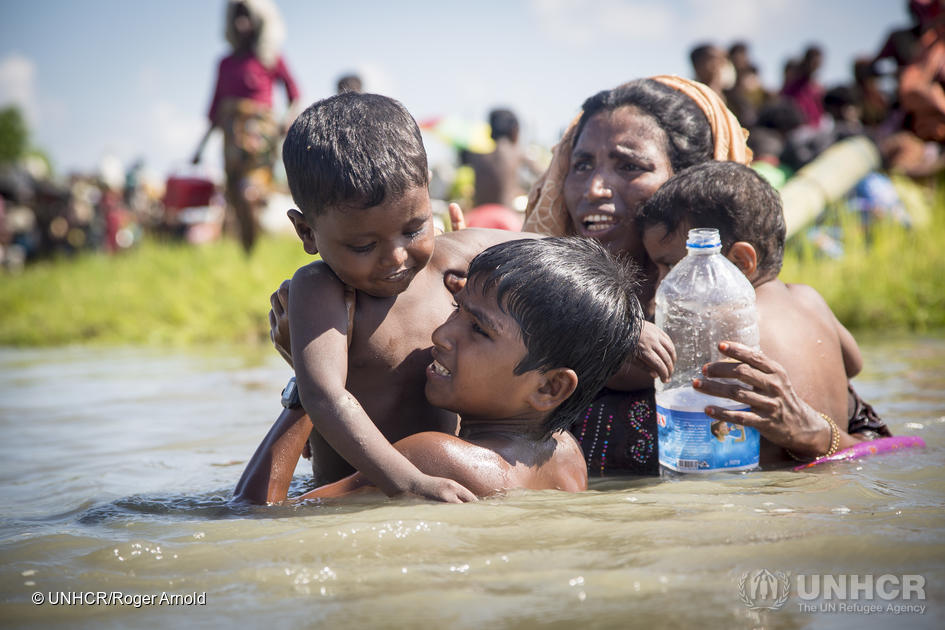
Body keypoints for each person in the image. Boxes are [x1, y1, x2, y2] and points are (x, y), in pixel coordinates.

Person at [234, 92, 555, 505]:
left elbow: (553, 256)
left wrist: (626, 322)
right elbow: (325, 395)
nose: (396, 257)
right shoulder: (322, 290)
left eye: (413, 229)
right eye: (364, 245)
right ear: (307, 234)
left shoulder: (450, 257)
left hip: (447, 483)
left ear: (429, 204)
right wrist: (406, 482)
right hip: (352, 498)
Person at [254, 237, 643, 502]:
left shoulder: (435, 459)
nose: (440, 334)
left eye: (478, 329)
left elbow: (260, 515)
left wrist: (308, 378)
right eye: (457, 309)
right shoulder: (567, 454)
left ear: (551, 388)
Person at [638, 161, 890, 465]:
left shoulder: (721, 323)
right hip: (833, 474)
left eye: (672, 266)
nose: (663, 282)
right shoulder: (808, 298)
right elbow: (854, 364)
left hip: (774, 492)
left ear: (742, 261)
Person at [192, 0, 300, 253]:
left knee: (249, 192)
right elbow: (215, 109)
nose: (242, 24)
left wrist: (287, 120)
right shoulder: (225, 63)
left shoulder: (270, 58)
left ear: (259, 22)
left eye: (247, 18)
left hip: (259, 138)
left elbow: (294, 94)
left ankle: (254, 246)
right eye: (237, 18)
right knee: (235, 198)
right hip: (230, 139)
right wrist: (199, 148)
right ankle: (248, 252)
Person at [465, 108, 540, 211]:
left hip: (478, 214)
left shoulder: (477, 156)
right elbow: (544, 174)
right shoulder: (517, 152)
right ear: (514, 130)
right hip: (504, 215)